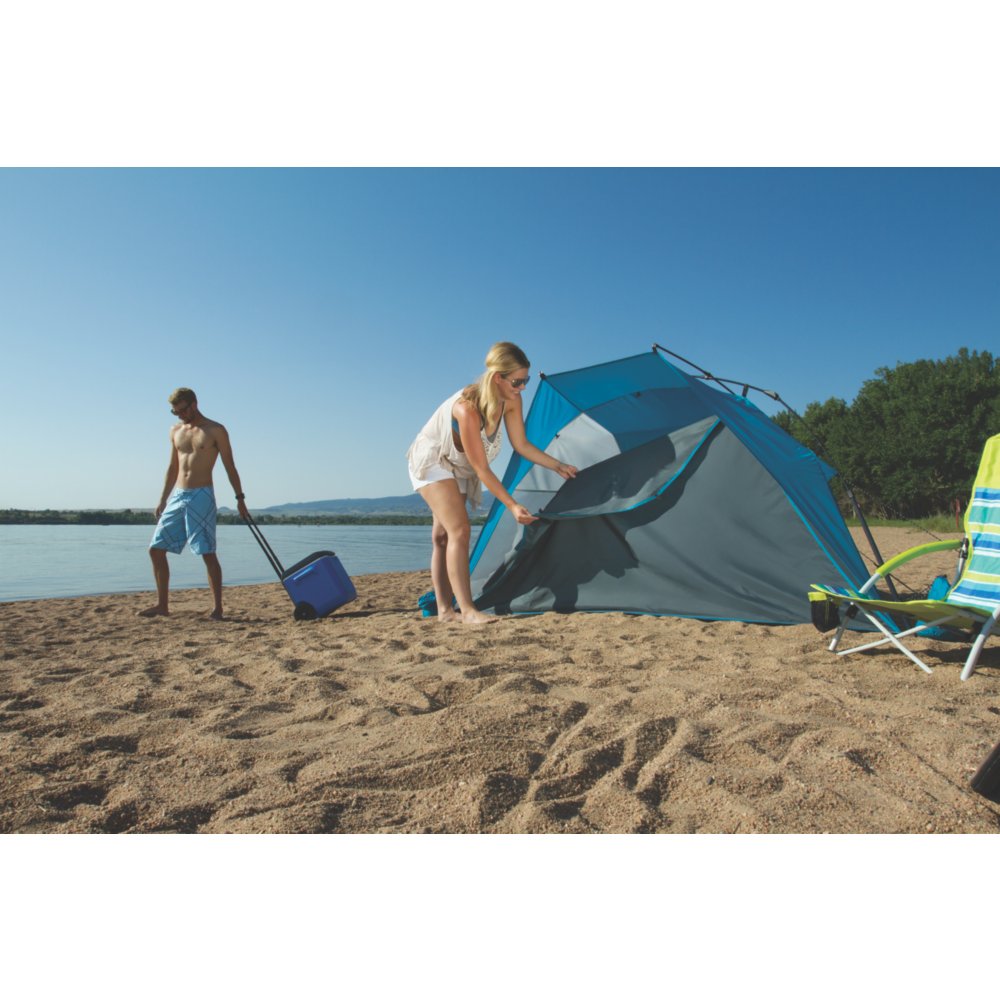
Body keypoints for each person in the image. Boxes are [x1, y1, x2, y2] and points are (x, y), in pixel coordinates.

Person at [407, 342, 577, 624]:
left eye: (526, 381)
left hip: (458, 465)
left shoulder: (511, 400)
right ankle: (466, 610)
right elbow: (481, 468)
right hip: (434, 459)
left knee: (442, 537)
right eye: (517, 381)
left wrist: (557, 465)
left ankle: (444, 611)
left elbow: (521, 444)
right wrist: (512, 506)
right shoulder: (467, 409)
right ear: (498, 377)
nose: (522, 387)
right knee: (459, 530)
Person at [139, 388, 250, 620]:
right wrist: (162, 498)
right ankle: (162, 605)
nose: (179, 415)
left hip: (202, 495)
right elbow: (173, 467)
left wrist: (240, 499)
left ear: (194, 404)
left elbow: (230, 466)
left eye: (182, 410)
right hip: (179, 494)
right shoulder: (175, 430)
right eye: (175, 412)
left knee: (207, 552)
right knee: (156, 549)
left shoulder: (215, 430)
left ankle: (218, 608)